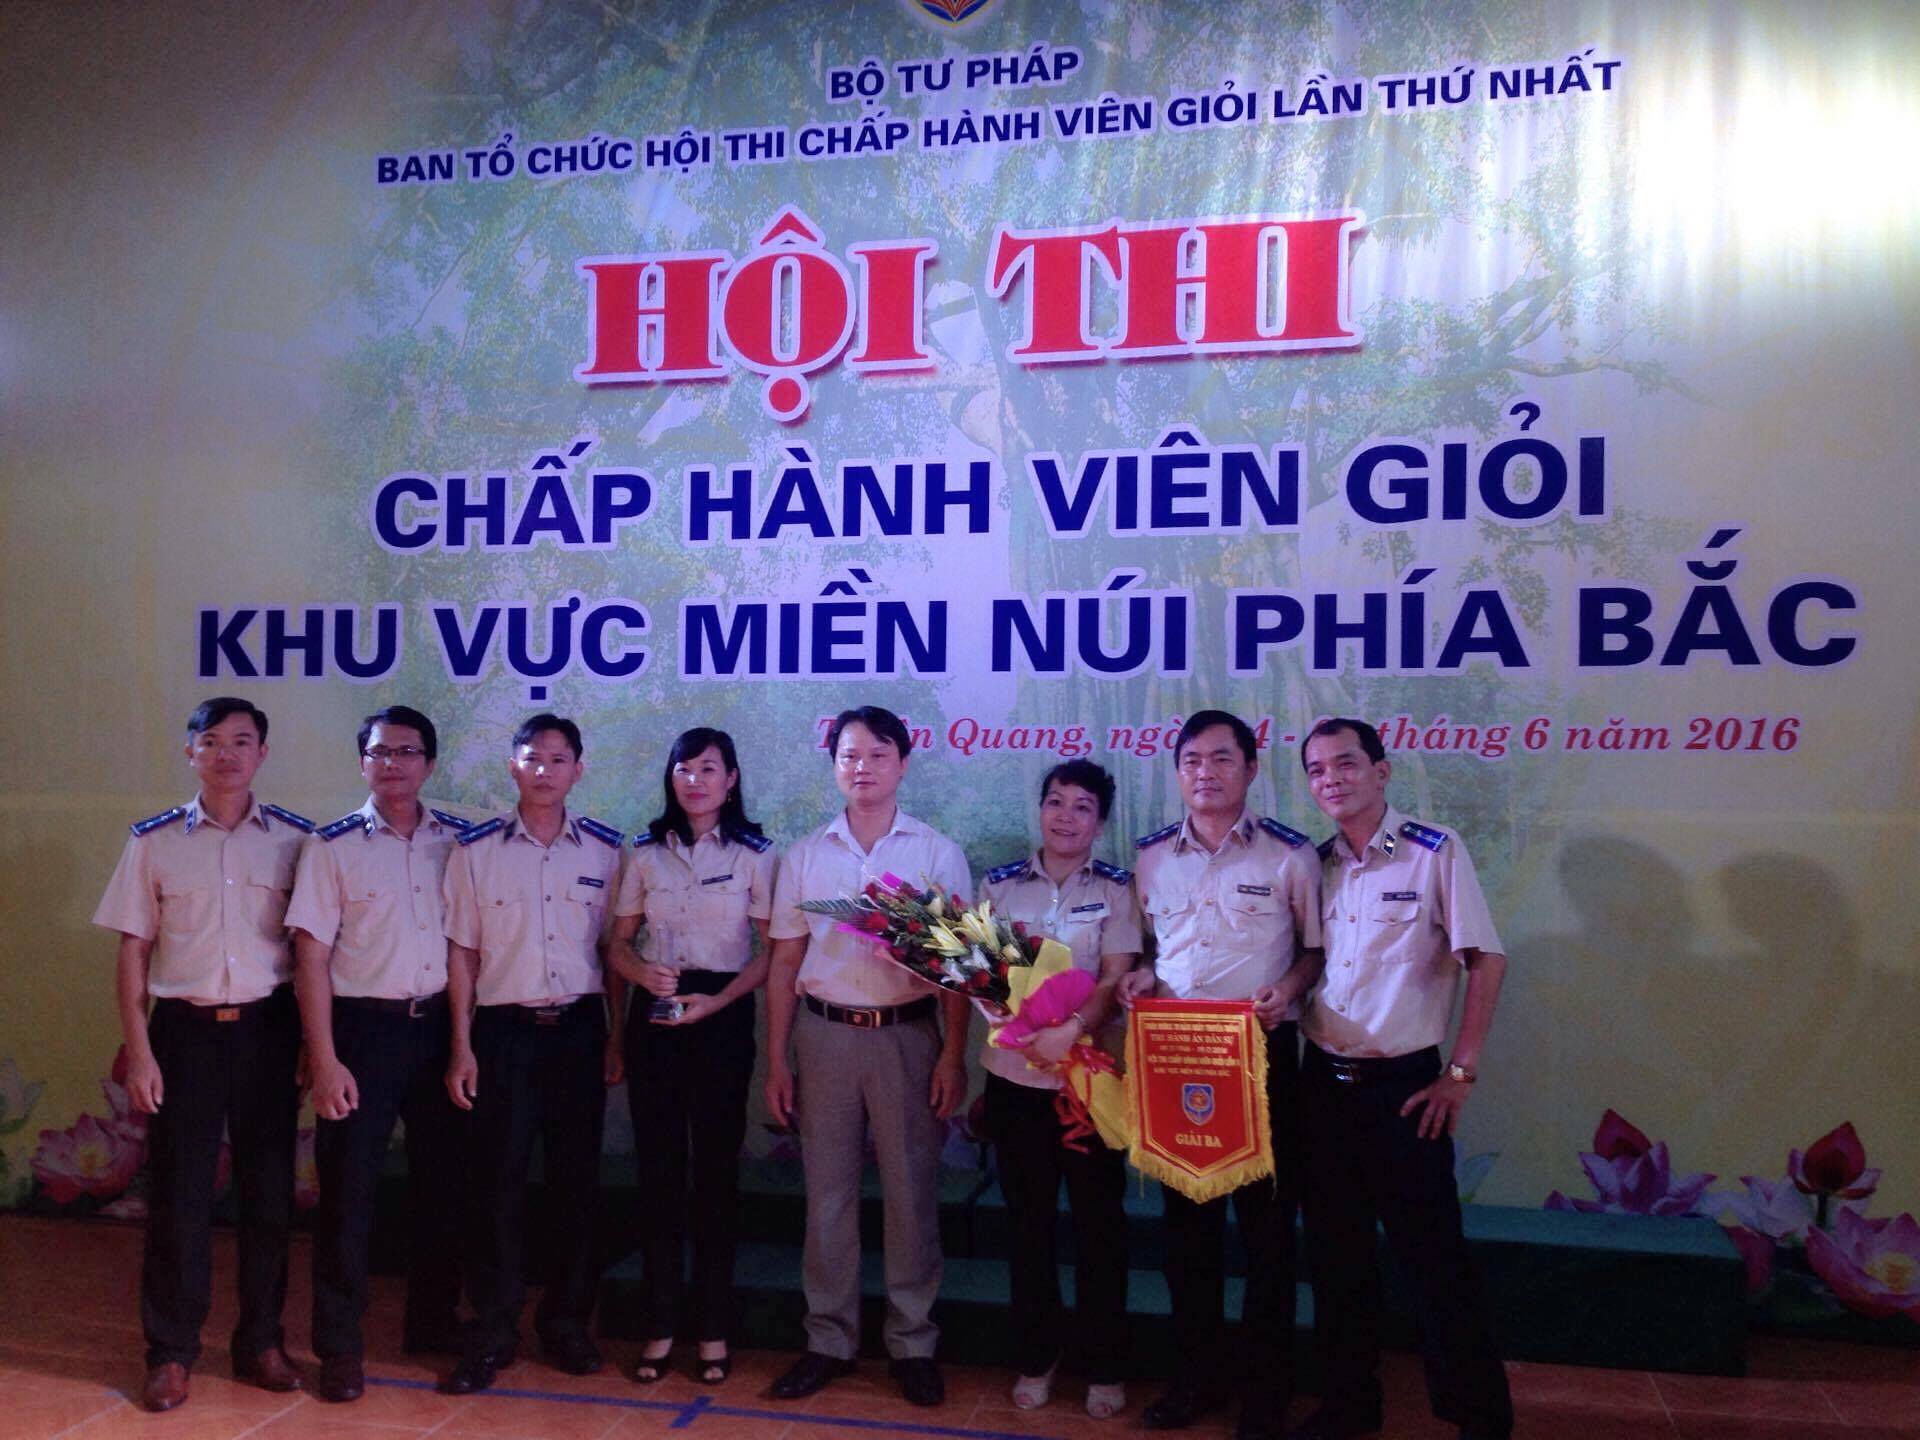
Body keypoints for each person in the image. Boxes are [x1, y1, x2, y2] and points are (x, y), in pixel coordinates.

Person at [1290, 718, 1512, 1440]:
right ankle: (1349, 1405)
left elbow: (1487, 958)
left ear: (1381, 771)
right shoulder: (1312, 865)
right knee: (1336, 1257)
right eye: (1317, 770)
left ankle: (1479, 1417)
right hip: (1324, 1086)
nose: (1331, 780)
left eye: (1345, 764)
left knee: (1434, 1259)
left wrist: (1461, 1071)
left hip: (1406, 1092)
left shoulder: (1432, 851)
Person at [93, 697, 312, 1413]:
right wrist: (140, 1051)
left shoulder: (295, 841)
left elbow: (311, 954)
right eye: (211, 741)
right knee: (179, 1198)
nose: (226, 755)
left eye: (241, 742)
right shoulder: (154, 842)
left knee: (268, 1195)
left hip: (269, 1030)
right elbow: (133, 952)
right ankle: (170, 1352)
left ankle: (262, 1342)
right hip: (184, 1035)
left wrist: (312, 1045)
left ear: (262, 754)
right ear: (190, 752)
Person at [1118, 710, 1324, 1440]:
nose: (1205, 772)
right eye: (1191, 761)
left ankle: (1266, 1394)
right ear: (1178, 772)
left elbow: (1316, 951)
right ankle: (1195, 1380)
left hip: (1261, 1060)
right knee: (1188, 1237)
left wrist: (1288, 990)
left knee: (1266, 1238)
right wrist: (1140, 977)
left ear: (1250, 769)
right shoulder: (1150, 858)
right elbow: (1147, 949)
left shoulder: (1290, 856)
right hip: (1178, 1061)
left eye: (1221, 759)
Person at [763, 706, 971, 1407]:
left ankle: (913, 1343)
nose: (863, 767)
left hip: (908, 1037)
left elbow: (963, 967)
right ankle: (829, 1340)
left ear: (903, 764)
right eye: (849, 755)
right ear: (834, 766)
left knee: (911, 1194)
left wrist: (952, 1056)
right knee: (827, 1195)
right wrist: (778, 1060)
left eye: (878, 754)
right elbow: (784, 961)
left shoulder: (936, 853)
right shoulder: (805, 854)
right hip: (823, 1036)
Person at [286, 705, 470, 1403]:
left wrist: (463, 1041)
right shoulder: (331, 846)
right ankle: (338, 1346)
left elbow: (467, 948)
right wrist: (324, 1057)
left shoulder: (456, 844)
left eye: (407, 751)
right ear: (362, 762)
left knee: (443, 1186)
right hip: (361, 1034)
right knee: (349, 1195)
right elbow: (310, 957)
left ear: (430, 763)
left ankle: (433, 1322)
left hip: (438, 1030)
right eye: (379, 752)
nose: (393, 763)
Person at [439, 713, 623, 1395]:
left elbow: (614, 952)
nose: (545, 770)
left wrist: (616, 1038)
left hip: (578, 1031)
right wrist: (461, 1045)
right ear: (512, 767)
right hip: (502, 1034)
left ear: (579, 769)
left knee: (577, 1184)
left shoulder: (605, 851)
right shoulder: (475, 851)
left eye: (558, 759)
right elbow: (462, 954)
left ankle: (567, 1323)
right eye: (533, 758)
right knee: (497, 1184)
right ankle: (493, 1328)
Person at [605, 727, 776, 1386]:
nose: (695, 780)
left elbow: (772, 955)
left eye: (709, 768)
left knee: (715, 1177)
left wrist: (721, 1000)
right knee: (659, 1173)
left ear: (731, 780)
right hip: (655, 1015)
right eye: (684, 768)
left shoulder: (756, 854)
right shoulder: (645, 852)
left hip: (721, 1016)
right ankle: (659, 1324)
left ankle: (712, 1326)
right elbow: (617, 945)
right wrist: (639, 971)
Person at [978, 759, 1139, 1420]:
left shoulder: (1118, 889)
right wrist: (1007, 1020)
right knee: (1029, 1225)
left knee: (1100, 1226)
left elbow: (1115, 977)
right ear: (1039, 809)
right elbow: (980, 973)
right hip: (1015, 1082)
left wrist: (1070, 1030)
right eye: (1055, 802)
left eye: (1081, 807)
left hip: (1088, 1083)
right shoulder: (998, 885)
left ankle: (1106, 1364)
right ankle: (1036, 1356)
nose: (1065, 817)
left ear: (1099, 822)